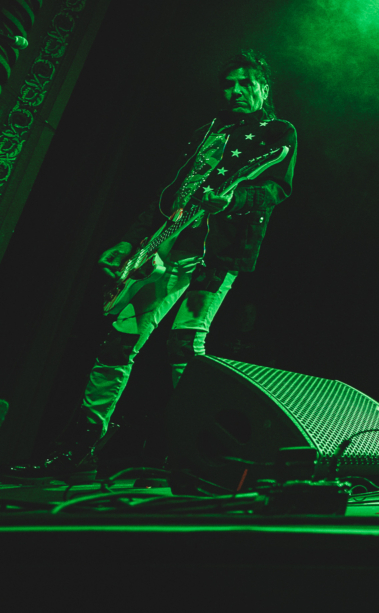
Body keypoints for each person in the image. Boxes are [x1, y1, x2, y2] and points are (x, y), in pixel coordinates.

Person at [11, 50, 297, 481]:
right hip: (165, 250)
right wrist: (129, 241)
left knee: (184, 346)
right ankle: (79, 447)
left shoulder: (277, 133)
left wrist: (231, 199)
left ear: (264, 88)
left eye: (245, 82)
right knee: (118, 342)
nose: (235, 90)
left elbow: (276, 190)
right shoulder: (207, 132)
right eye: (228, 83)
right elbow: (169, 195)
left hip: (216, 255)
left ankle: (204, 451)